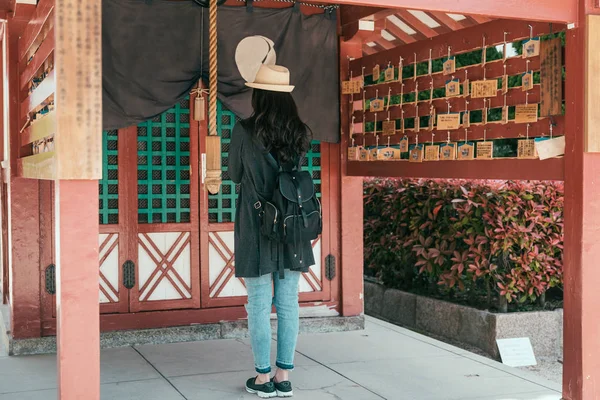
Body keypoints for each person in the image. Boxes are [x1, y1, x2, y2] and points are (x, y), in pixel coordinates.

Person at [229, 63, 314, 398]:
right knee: (289, 302)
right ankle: (284, 376)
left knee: (260, 301)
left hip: (256, 222)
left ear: (259, 95)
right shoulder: (299, 132)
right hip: (292, 224)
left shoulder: (245, 130)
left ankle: (262, 378)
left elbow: (235, 174)